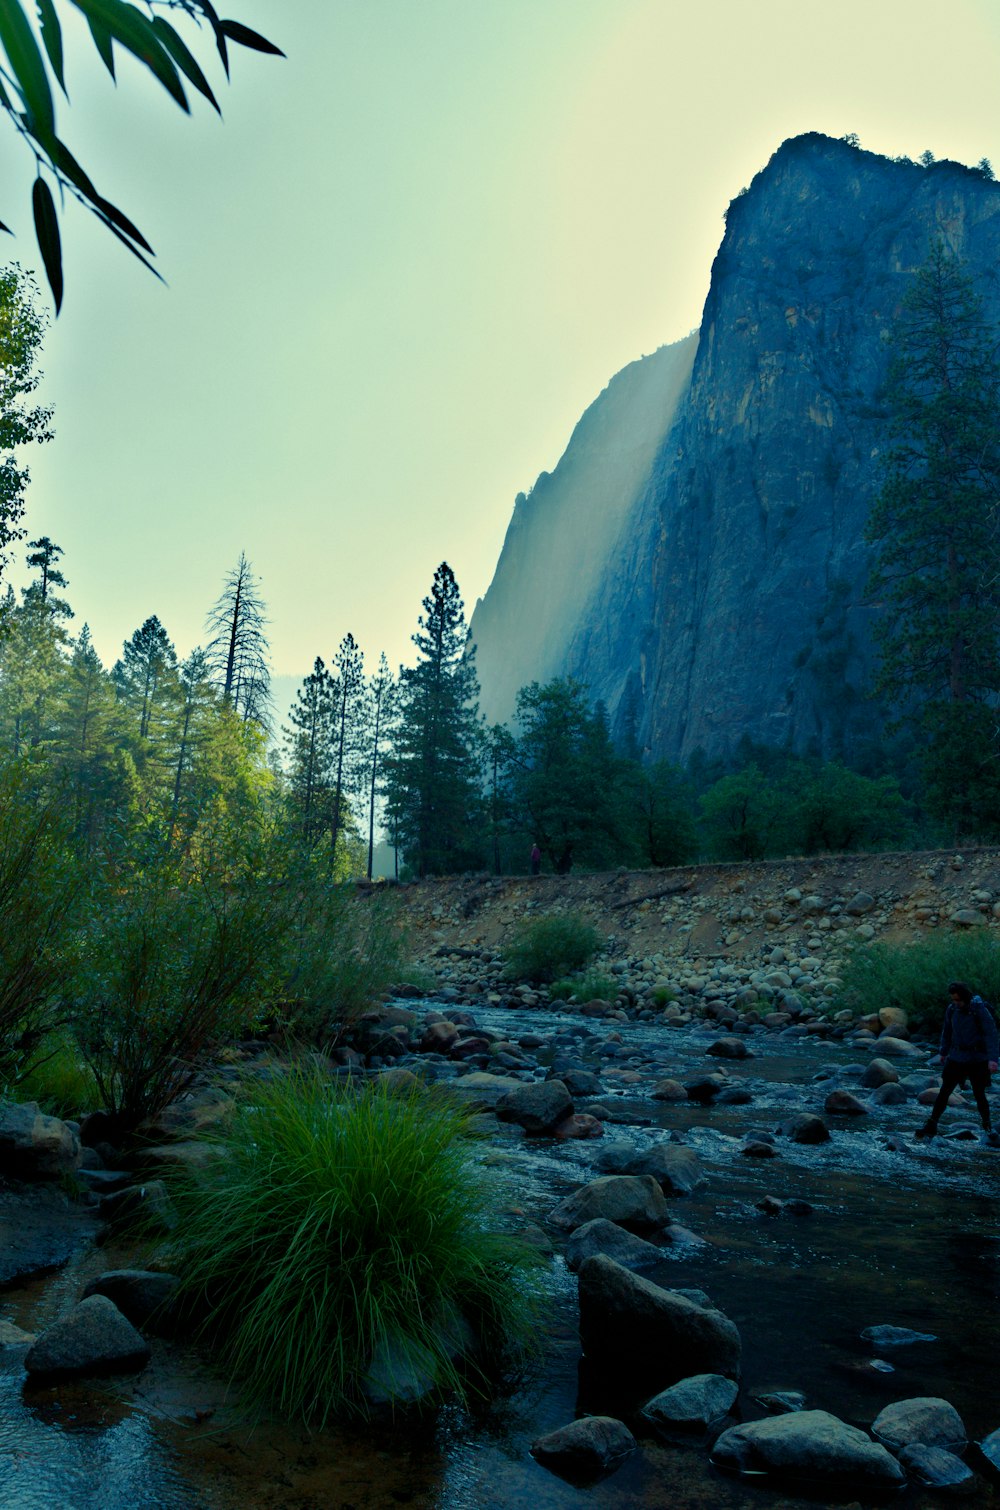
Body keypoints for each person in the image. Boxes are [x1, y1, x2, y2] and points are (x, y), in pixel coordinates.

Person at [915, 981, 999, 1143]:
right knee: (944, 1092)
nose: (956, 1003)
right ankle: (931, 1124)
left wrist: (993, 1059)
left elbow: (991, 1034)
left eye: (958, 1000)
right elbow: (947, 1031)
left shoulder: (979, 1010)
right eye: (953, 1000)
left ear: (966, 998)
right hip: (956, 1057)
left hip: (977, 1059)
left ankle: (988, 1127)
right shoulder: (952, 1009)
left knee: (979, 1095)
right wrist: (943, 1052)